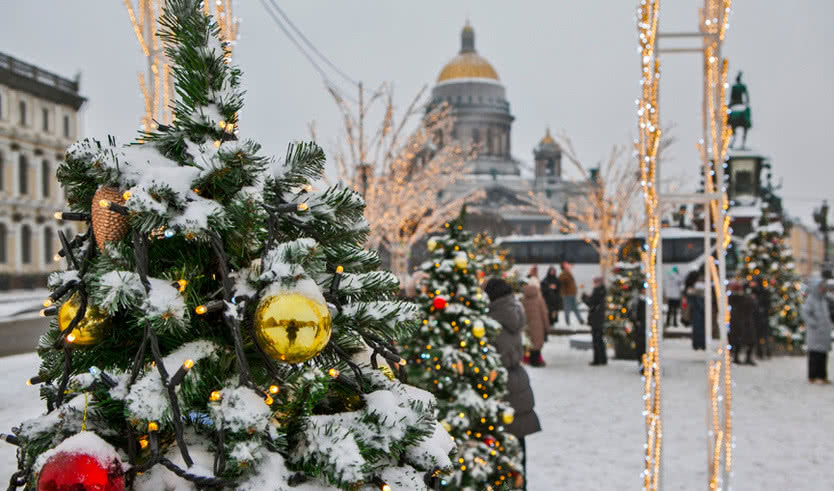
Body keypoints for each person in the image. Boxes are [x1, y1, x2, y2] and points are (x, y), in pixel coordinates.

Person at [484, 278, 542, 485]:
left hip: (502, 381)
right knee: (518, 443)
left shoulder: (492, 319)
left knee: (503, 444)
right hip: (518, 379)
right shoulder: (515, 310)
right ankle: (520, 484)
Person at [802, 276, 832, 384]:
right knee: (815, 355)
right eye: (821, 287)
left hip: (824, 333)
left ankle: (822, 376)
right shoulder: (811, 300)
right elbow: (805, 314)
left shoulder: (823, 300)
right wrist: (814, 324)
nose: (823, 289)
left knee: (823, 355)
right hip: (815, 333)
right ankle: (813, 376)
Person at [728, 281, 757, 365]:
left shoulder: (731, 298)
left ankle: (737, 357)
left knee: (738, 341)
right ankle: (747, 358)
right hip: (746, 322)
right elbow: (753, 306)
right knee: (749, 341)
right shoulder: (746, 298)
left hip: (737, 322)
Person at [582, 277, 607, 366]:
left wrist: (584, 298)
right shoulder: (603, 291)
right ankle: (603, 358)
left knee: (596, 340)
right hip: (600, 318)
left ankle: (597, 359)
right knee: (600, 339)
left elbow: (591, 303)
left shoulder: (597, 291)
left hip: (596, 318)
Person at [751, 279, 772, 359]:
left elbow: (766, 304)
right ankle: (762, 352)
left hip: (761, 317)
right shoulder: (755, 292)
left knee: (761, 335)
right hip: (760, 317)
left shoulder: (758, 292)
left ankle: (763, 352)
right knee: (761, 335)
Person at [686, 270, 706, 350]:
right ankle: (700, 344)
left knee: (697, 328)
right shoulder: (698, 288)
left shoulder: (690, 289)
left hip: (695, 311)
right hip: (698, 311)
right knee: (700, 328)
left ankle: (697, 344)